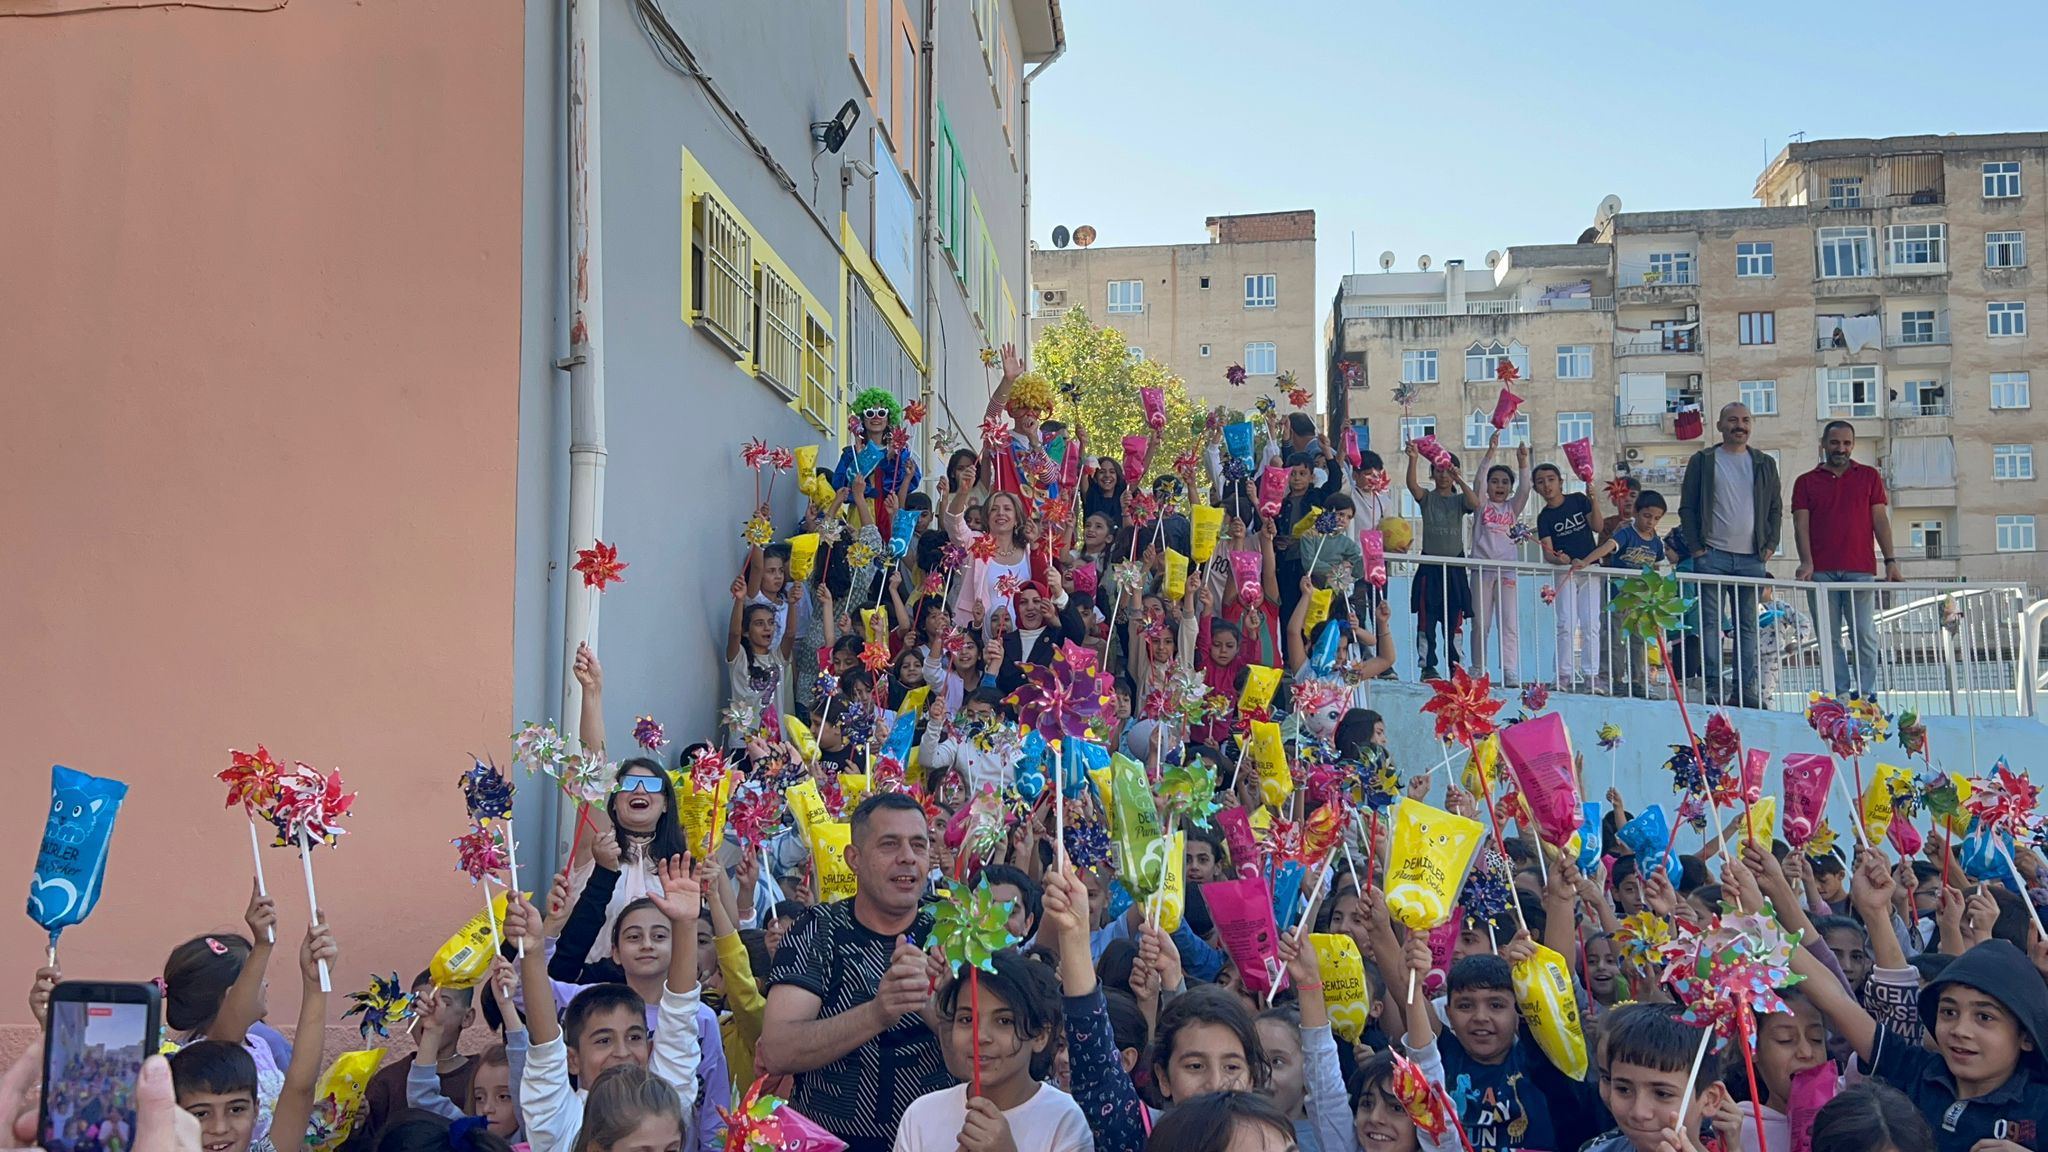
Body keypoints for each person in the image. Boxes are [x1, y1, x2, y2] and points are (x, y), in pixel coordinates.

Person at [758, 794, 950, 1152]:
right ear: (854, 859)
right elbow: (778, 1051)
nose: (907, 856)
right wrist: (879, 1012)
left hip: (938, 1141)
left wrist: (930, 1004)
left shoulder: (955, 929)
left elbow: (989, 1053)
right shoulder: (817, 929)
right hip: (828, 1143)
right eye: (889, 844)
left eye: (919, 844)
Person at [892, 950, 1088, 1152]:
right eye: (966, 1020)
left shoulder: (1066, 1120)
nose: (980, 1036)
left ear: (1040, 1036)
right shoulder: (922, 1115)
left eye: (1004, 1021)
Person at [169, 921, 337, 1152]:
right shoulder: (199, 1058)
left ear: (256, 1110)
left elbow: (300, 1089)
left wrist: (315, 985)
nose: (219, 1128)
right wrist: (262, 945)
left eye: (236, 1109)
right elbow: (226, 1037)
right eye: (201, 1113)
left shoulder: (260, 1044)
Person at [1677, 402, 1782, 709]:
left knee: (1747, 625)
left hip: (1751, 558)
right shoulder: (1704, 460)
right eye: (1733, 420)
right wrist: (1696, 547)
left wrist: (1770, 545)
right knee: (1710, 623)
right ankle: (1713, 686)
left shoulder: (1763, 462)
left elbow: (1775, 507)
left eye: (1746, 420)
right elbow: (1687, 507)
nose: (1740, 425)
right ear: (1720, 425)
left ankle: (1744, 690)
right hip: (1712, 555)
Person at [1792, 420, 1900, 700]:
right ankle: (1838, 693)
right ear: (1824, 444)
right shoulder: (1805, 482)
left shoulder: (1869, 477)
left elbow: (1880, 520)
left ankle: (1866, 695)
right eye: (1835, 442)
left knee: (1864, 634)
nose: (1841, 448)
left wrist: (1891, 561)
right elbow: (1800, 526)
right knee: (1828, 639)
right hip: (1821, 572)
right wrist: (1807, 562)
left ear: (1853, 445)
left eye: (1847, 443)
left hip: (1860, 569)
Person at [1572, 490, 1668, 697]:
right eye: (1647, 516)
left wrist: (1656, 597)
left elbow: (1658, 569)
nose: (1651, 521)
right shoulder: (1626, 533)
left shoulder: (1656, 543)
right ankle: (1614, 679)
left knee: (1639, 639)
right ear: (1636, 512)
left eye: (1656, 518)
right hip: (1618, 596)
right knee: (1614, 637)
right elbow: (1607, 547)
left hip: (1641, 601)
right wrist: (1586, 561)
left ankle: (1638, 680)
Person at [1403, 441, 1478, 679]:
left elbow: (1475, 504)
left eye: (1449, 470)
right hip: (1430, 568)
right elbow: (1412, 486)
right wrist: (1414, 458)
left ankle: (1456, 668)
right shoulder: (1428, 498)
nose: (1444, 475)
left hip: (1454, 569)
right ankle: (1428, 666)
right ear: (1433, 473)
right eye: (1439, 470)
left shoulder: (1459, 501)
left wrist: (1460, 479)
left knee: (1454, 621)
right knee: (1427, 619)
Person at [1468, 436, 1530, 685]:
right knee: (1480, 623)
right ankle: (1477, 670)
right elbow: (1477, 482)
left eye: (1505, 482)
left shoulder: (1512, 509)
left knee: (1509, 623)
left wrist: (1523, 462)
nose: (1499, 486)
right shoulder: (1481, 505)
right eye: (1494, 481)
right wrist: (1490, 452)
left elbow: (1526, 489)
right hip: (1481, 570)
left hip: (1507, 572)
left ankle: (1510, 669)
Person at [1534, 463, 1602, 692]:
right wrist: (1559, 559)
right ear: (1536, 488)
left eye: (1551, 479)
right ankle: (1563, 674)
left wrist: (1594, 500)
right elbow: (1548, 552)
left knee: (1591, 623)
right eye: (1541, 481)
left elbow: (1598, 526)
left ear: (1560, 481)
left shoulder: (1578, 500)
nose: (1547, 485)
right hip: (1566, 573)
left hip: (1591, 569)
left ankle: (1591, 675)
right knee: (1566, 623)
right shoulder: (1544, 518)